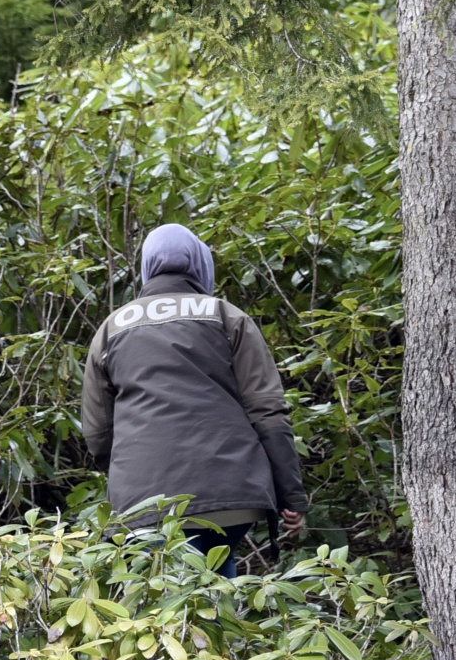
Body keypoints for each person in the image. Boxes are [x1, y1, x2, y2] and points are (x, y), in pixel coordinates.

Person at [82, 224, 307, 576]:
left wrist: (129, 475)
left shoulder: (111, 329)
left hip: (145, 501)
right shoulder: (227, 316)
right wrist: (291, 497)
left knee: (166, 592)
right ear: (200, 263)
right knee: (217, 571)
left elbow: (97, 431)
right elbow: (268, 412)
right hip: (231, 493)